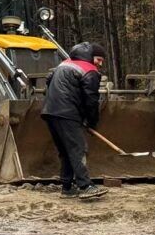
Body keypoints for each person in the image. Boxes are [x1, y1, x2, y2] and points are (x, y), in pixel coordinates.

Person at [41, 42, 109, 200]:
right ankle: (85, 186)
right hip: (67, 113)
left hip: (49, 111)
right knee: (78, 149)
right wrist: (92, 121)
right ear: (91, 57)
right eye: (99, 59)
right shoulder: (89, 70)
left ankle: (66, 187)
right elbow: (91, 100)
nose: (100, 63)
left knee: (66, 151)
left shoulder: (64, 64)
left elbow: (49, 79)